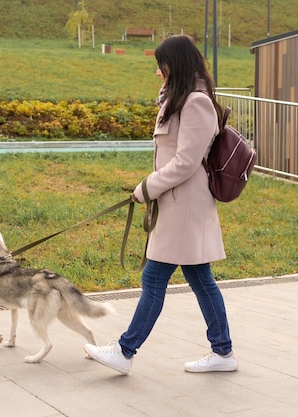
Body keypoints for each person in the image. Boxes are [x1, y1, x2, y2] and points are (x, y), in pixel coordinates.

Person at [84, 34, 238, 375]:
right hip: (178, 203)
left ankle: (125, 351)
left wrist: (146, 188)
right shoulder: (182, 98)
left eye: (161, 65)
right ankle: (223, 351)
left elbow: (186, 162)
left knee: (155, 279)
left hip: (184, 205)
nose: (158, 72)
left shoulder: (195, 102)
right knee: (199, 279)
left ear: (176, 64)